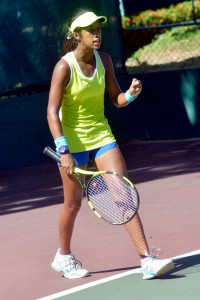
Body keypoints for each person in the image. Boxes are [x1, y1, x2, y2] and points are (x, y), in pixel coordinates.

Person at [47, 9, 174, 280]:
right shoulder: (64, 67)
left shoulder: (103, 60)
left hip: (102, 137)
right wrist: (64, 150)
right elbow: (51, 111)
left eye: (99, 29)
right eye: (90, 30)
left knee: (123, 196)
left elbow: (116, 99)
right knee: (72, 205)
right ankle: (63, 256)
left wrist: (131, 94)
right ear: (77, 35)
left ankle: (146, 260)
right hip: (71, 143)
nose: (97, 34)